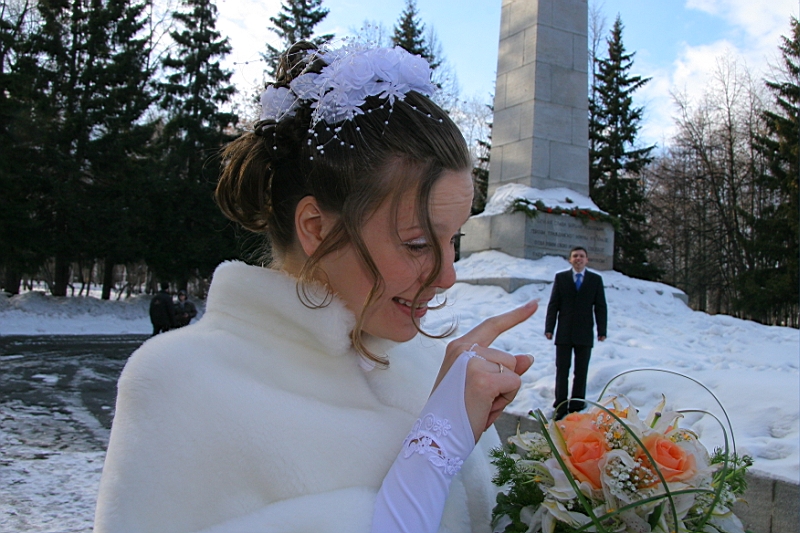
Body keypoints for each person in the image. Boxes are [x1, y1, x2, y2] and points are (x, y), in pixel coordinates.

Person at [94, 42, 538, 533]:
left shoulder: (433, 371)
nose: (447, 275)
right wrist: (433, 450)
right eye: (417, 243)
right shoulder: (181, 383)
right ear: (316, 229)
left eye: (453, 240)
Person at [544, 246, 607, 420]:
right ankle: (560, 404)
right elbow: (553, 305)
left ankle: (577, 404)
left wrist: (602, 330)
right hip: (564, 332)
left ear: (586, 260)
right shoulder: (561, 278)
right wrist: (549, 328)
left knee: (581, 371)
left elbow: (600, 306)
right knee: (562, 370)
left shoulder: (595, 280)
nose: (578, 259)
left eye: (581, 256)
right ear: (570, 259)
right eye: (575, 256)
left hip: (584, 333)